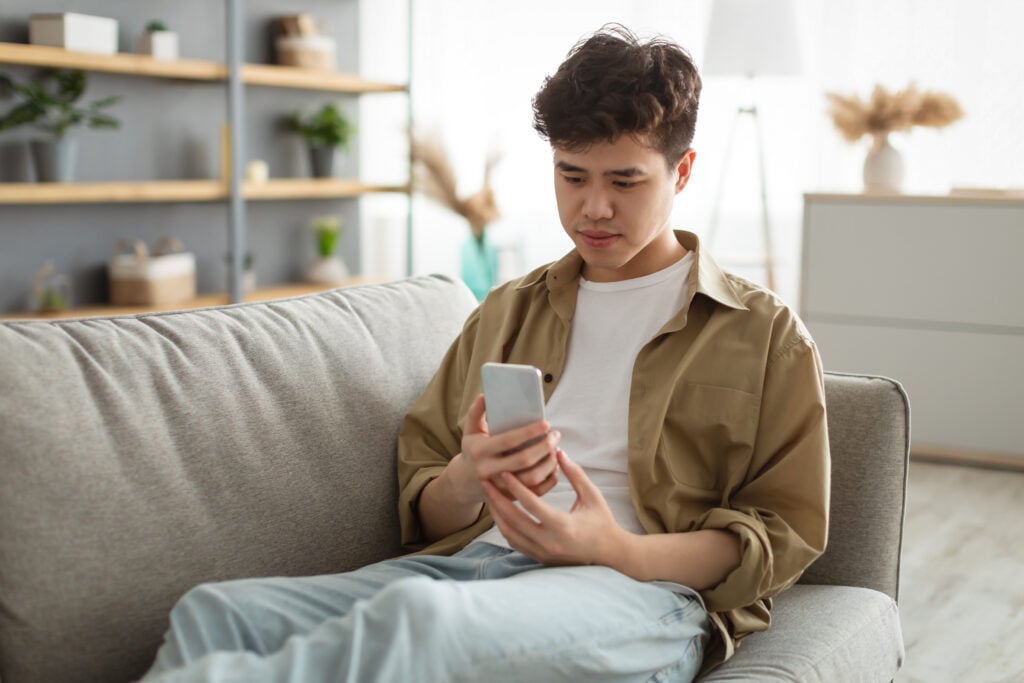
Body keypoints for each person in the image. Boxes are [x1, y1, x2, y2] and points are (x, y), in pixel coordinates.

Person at [141, 24, 829, 683]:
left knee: (416, 622)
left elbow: (786, 532)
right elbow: (427, 502)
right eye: (571, 175)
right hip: (471, 568)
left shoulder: (763, 333)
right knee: (217, 612)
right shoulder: (506, 310)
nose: (592, 207)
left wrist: (613, 547)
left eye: (624, 182)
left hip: (639, 594)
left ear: (682, 172)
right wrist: (469, 475)